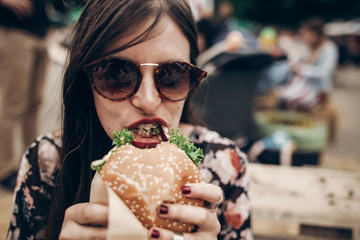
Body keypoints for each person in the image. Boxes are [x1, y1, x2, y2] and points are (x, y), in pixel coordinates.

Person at [6, 1, 252, 240]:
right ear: (85, 83)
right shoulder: (46, 163)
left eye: (171, 75)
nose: (147, 100)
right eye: (117, 74)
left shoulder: (225, 165)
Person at [0, 0, 50, 190]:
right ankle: (4, 170)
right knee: (14, 104)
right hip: (14, 34)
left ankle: (30, 162)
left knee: (34, 104)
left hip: (39, 34)